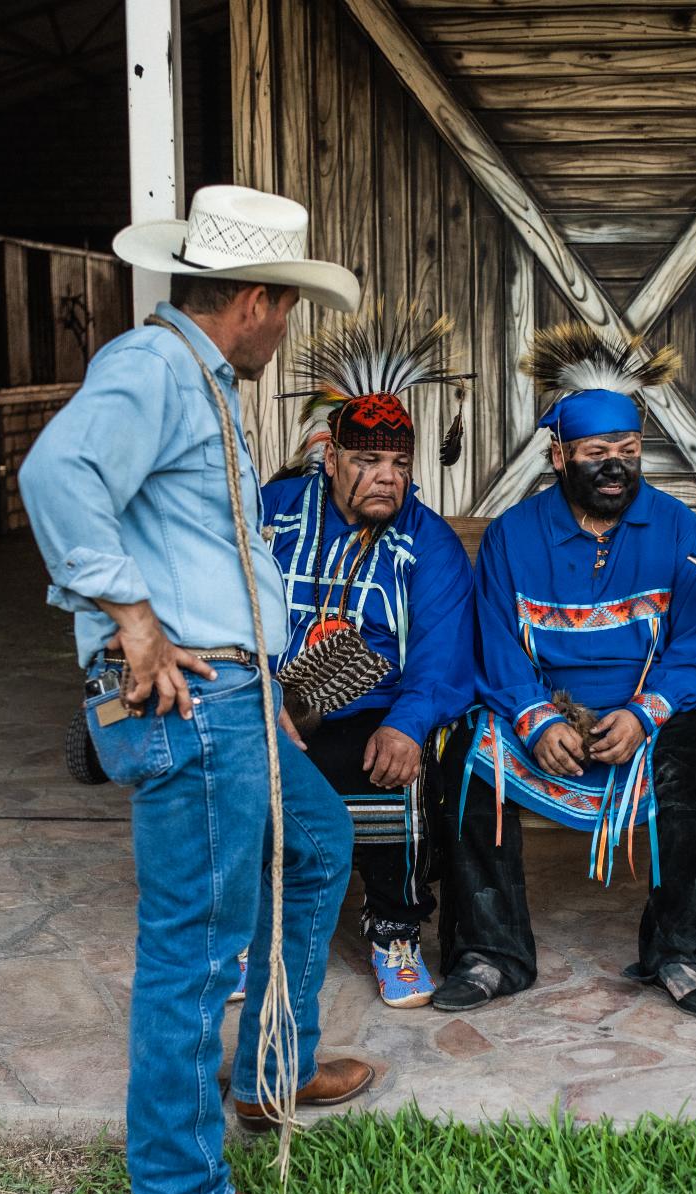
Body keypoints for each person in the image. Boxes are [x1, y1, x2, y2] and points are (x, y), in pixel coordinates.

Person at [18, 185, 373, 1194]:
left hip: (236, 691)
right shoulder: (152, 368)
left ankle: (274, 1067)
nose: (285, 330)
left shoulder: (195, 376)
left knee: (315, 840)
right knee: (191, 950)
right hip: (193, 699)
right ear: (257, 300)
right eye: (289, 310)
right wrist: (128, 611)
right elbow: (55, 472)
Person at [432, 324, 696, 1020]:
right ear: (558, 455)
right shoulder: (513, 536)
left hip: (649, 719)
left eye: (630, 453)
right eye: (597, 454)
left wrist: (645, 713)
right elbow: (491, 637)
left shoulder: (679, 529)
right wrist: (535, 715)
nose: (616, 468)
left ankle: (681, 951)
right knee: (463, 765)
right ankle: (490, 954)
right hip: (545, 716)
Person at [260, 312, 477, 1008]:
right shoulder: (277, 511)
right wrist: (263, 697)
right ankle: (253, 933)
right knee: (235, 760)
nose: (386, 479)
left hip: (364, 705)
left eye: (399, 464)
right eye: (366, 462)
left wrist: (411, 723)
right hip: (271, 693)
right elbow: (226, 602)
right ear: (331, 458)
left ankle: (392, 927)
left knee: (391, 761)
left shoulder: (430, 543)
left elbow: (442, 656)